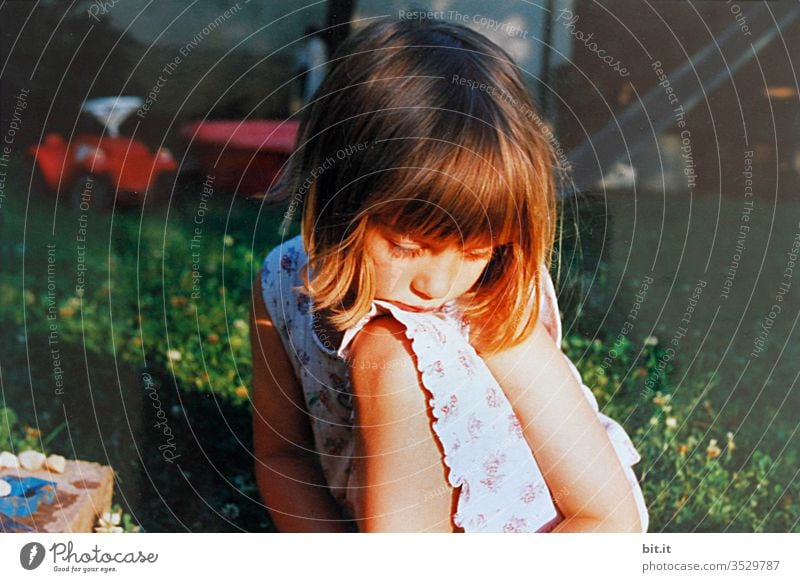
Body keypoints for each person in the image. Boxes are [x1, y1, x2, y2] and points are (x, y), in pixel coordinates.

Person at [250, 17, 648, 533]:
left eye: (478, 250)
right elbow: (284, 456)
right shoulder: (283, 282)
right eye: (407, 246)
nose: (436, 285)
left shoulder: (490, 310)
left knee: (390, 353)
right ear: (335, 201)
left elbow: (608, 519)